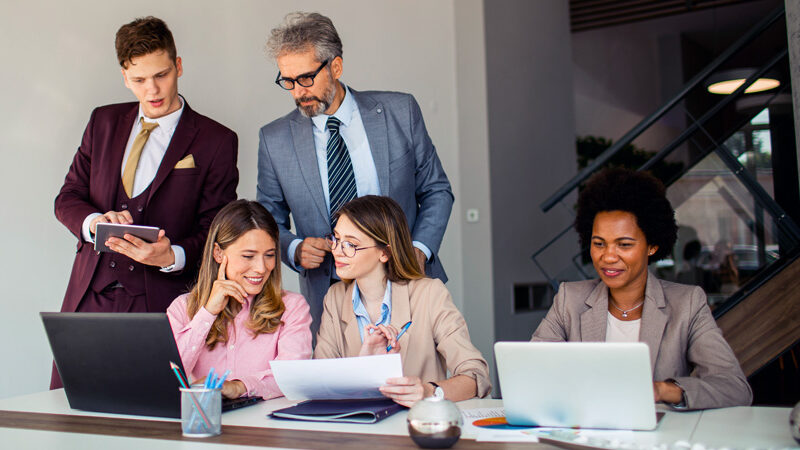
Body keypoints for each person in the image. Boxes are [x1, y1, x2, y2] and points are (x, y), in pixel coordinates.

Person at [52, 16, 238, 388]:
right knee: (73, 416)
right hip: (90, 295)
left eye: (162, 75)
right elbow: (68, 197)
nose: (152, 90)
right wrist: (94, 223)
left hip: (162, 303)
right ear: (124, 76)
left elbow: (217, 230)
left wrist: (172, 257)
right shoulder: (102, 122)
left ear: (178, 66)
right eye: (139, 80)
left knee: (152, 418)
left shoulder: (217, 140)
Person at [257, 12, 453, 336]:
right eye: (287, 81)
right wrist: (293, 248)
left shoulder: (400, 113)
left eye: (306, 78)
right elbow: (267, 218)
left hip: (408, 280)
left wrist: (418, 249)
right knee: (340, 386)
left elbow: (436, 190)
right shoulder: (274, 139)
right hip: (329, 296)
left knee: (417, 382)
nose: (297, 92)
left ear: (335, 67)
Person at [531, 168, 752, 410]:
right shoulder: (569, 299)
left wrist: (662, 390)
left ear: (652, 246)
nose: (608, 256)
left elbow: (734, 387)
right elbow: (531, 371)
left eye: (624, 244)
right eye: (599, 244)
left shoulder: (687, 303)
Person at [314, 196, 490, 407]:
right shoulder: (335, 297)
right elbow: (320, 382)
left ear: (385, 253)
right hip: (358, 430)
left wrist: (429, 391)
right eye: (336, 239)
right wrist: (362, 366)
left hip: (417, 427)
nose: (337, 250)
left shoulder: (429, 294)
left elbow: (476, 375)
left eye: (351, 244)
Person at [167, 200, 312, 400]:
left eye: (269, 255)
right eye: (248, 256)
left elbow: (293, 376)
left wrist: (239, 387)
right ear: (218, 253)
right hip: (202, 420)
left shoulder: (292, 307)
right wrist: (208, 313)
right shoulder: (181, 308)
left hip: (267, 426)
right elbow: (170, 375)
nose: (261, 268)